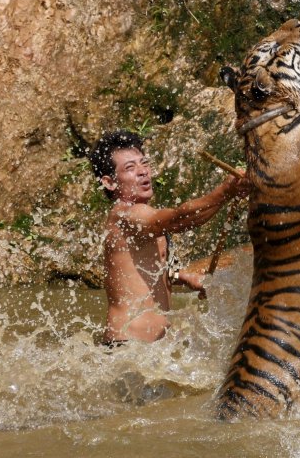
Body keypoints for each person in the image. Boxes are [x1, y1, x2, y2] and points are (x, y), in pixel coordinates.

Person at [88, 130, 248, 345]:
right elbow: (181, 219)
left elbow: (144, 269)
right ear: (109, 183)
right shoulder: (125, 214)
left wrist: (181, 277)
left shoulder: (142, 215)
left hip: (149, 351)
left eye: (144, 163)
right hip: (126, 347)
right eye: (130, 168)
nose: (142, 171)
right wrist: (225, 192)